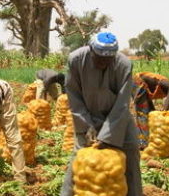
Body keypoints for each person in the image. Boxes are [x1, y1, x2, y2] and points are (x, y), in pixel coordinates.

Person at [60, 32, 142, 196]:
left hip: (118, 119)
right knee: (80, 159)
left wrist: (106, 136)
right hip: (87, 117)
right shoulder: (76, 60)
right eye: (99, 58)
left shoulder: (124, 65)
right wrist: (87, 125)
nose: (103, 63)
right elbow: (74, 96)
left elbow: (122, 103)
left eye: (108, 60)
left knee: (131, 153)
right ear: (91, 50)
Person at [132, 72, 169, 149]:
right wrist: (164, 115)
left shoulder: (168, 89)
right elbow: (166, 105)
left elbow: (168, 106)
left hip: (144, 88)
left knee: (151, 113)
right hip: (139, 83)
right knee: (143, 114)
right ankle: (142, 143)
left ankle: (149, 138)